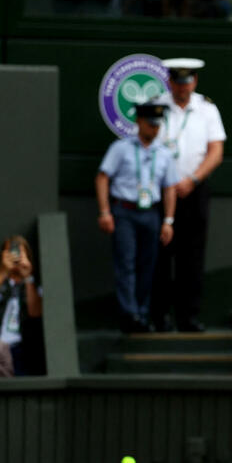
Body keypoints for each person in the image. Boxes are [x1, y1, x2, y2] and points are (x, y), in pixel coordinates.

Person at [151, 59, 226, 332]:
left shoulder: (207, 108)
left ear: (194, 82)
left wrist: (193, 179)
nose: (182, 88)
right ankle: (159, 316)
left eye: (187, 82)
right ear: (169, 82)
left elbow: (216, 151)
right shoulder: (155, 105)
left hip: (194, 190)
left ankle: (189, 316)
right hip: (160, 191)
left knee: (192, 256)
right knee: (159, 255)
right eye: (177, 82)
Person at [95, 102, 179, 334]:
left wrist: (168, 220)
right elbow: (102, 177)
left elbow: (169, 188)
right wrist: (105, 211)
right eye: (150, 124)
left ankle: (142, 314)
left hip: (150, 213)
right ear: (139, 122)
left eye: (157, 125)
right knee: (126, 263)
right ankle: (129, 313)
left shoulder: (164, 153)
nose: (154, 129)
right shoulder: (120, 148)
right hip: (124, 211)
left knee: (147, 266)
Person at [0, 238, 43, 375]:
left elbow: (35, 313)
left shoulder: (34, 282)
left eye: (19, 252)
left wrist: (28, 277)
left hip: (23, 349)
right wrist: (3, 272)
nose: (15, 256)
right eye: (11, 252)